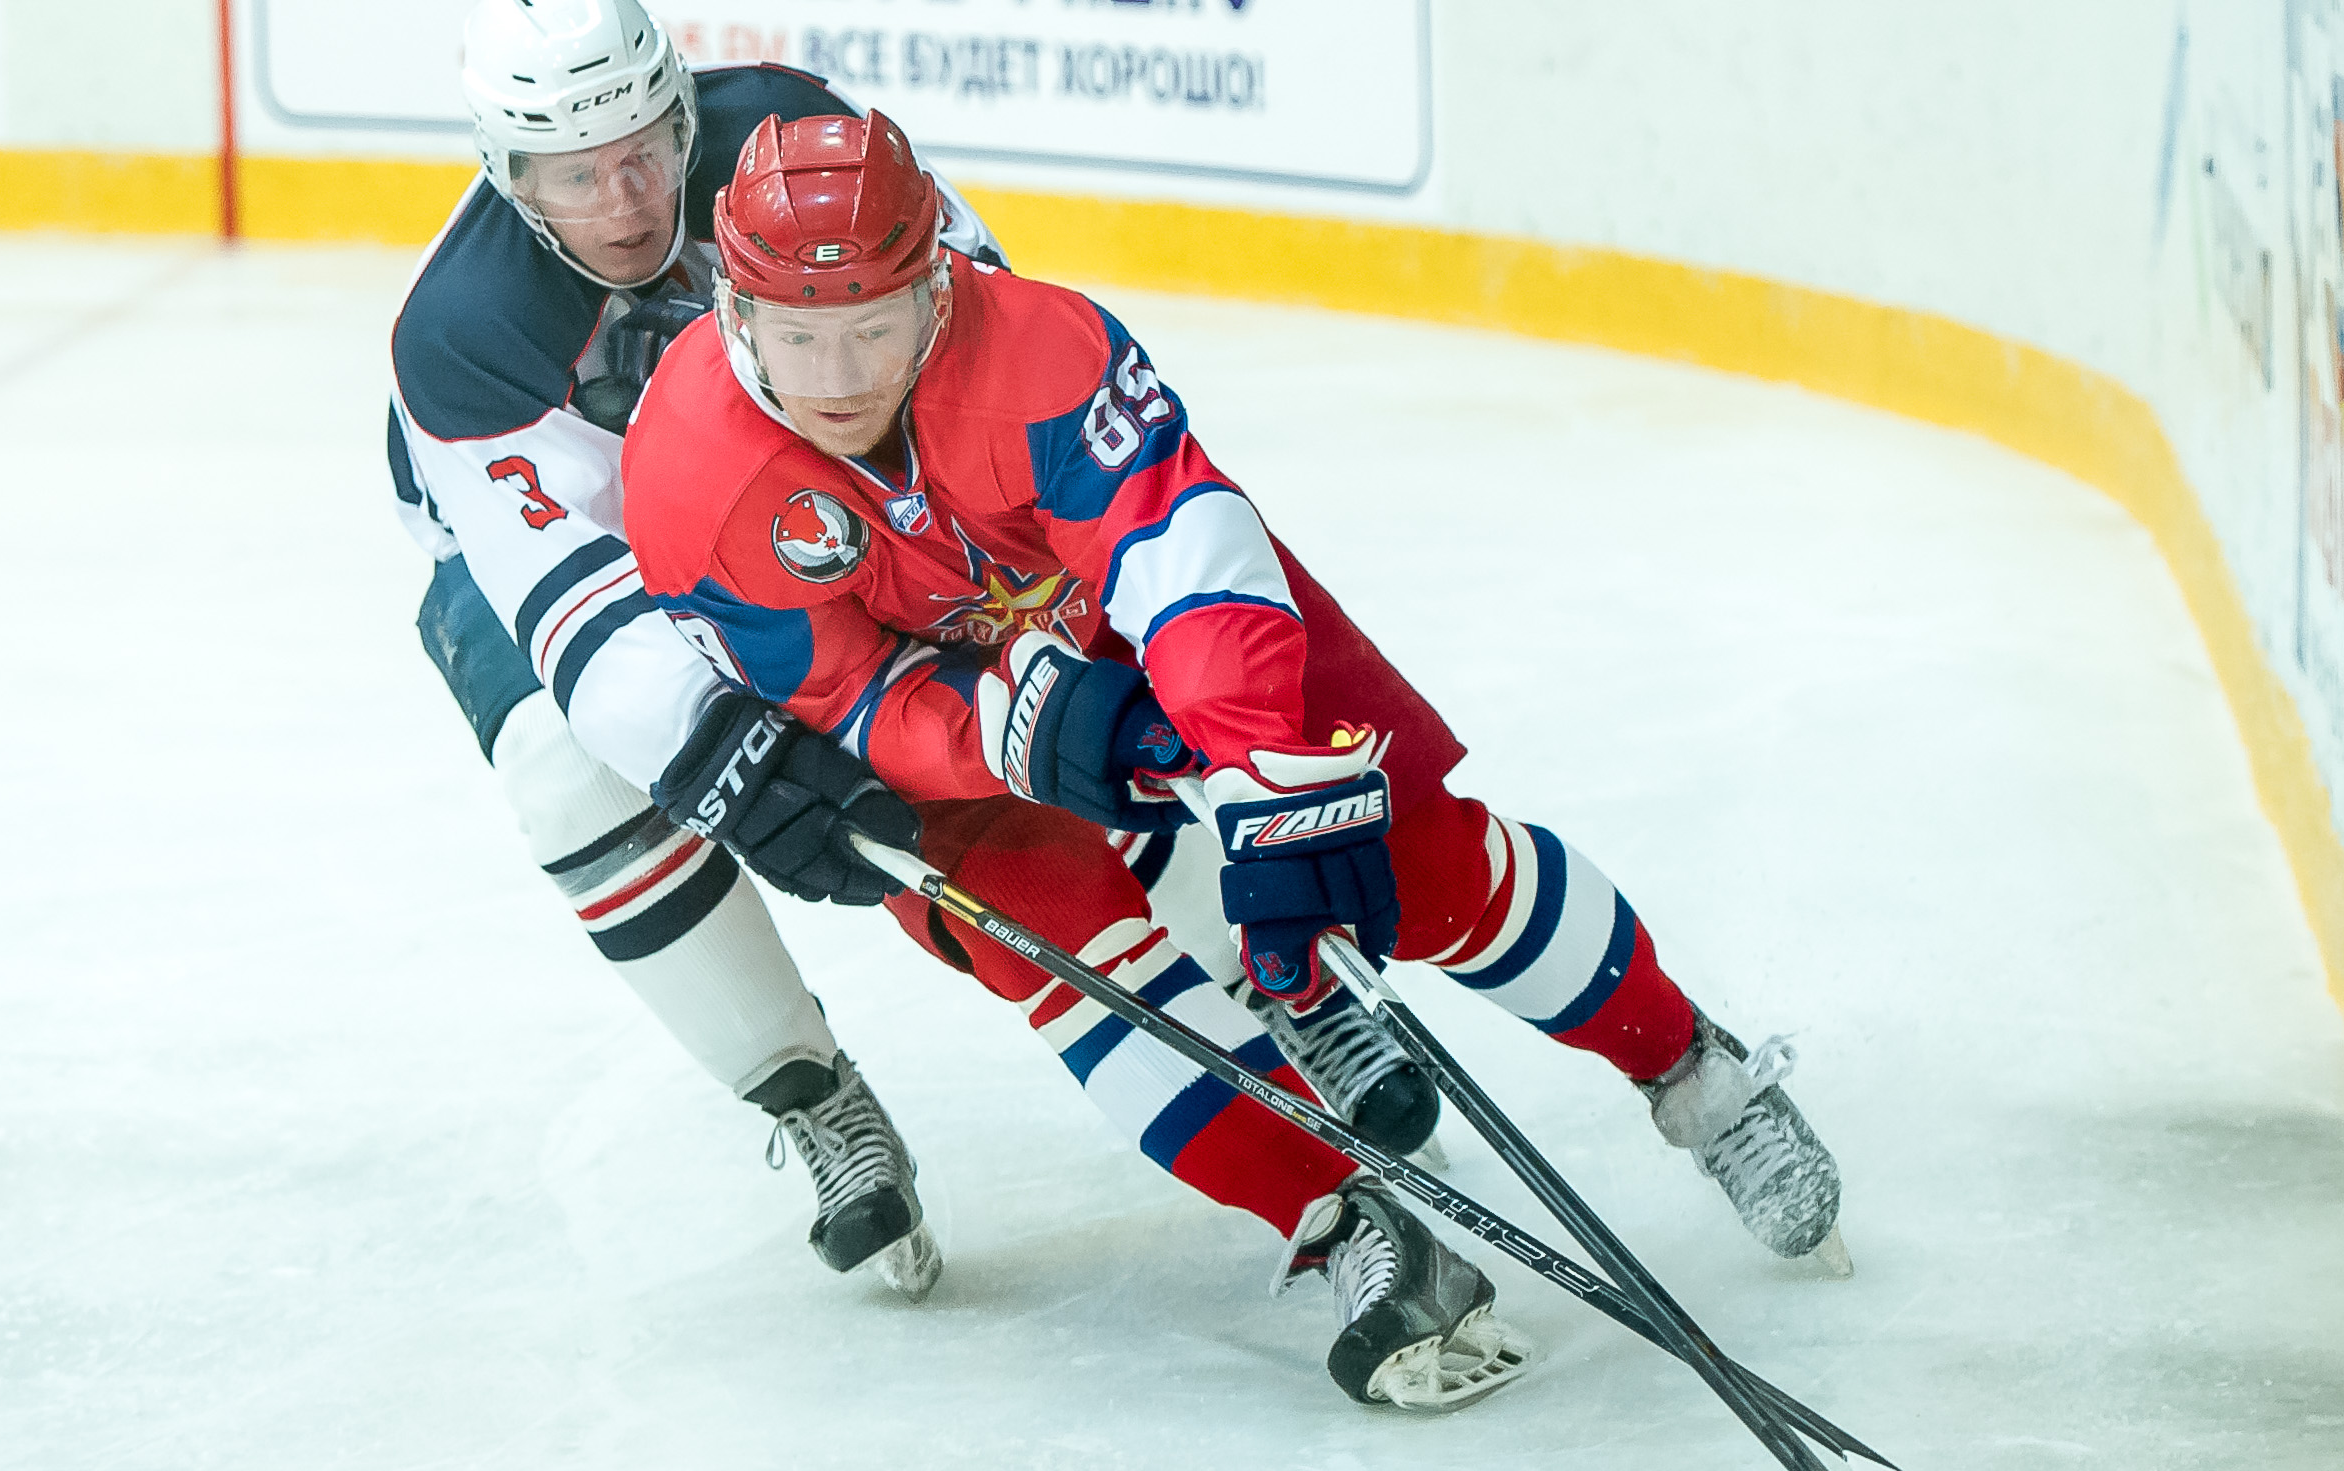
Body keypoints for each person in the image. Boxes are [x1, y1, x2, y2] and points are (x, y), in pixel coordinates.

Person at [619, 113, 1852, 1405]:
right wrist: (1028, 730)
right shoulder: (690, 468)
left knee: (1405, 863)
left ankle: (1690, 1065)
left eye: (871, 327)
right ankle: (1342, 1226)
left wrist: (1261, 790)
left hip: (1143, 634)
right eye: (800, 334)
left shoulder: (1041, 347)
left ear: (936, 285)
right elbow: (847, 691)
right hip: (960, 730)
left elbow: (1185, 569)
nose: (837, 374)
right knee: (1086, 973)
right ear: (735, 310)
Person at [382, 0, 996, 1296]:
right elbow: (586, 608)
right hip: (564, 547)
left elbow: (976, 353)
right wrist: (729, 758)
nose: (626, 199)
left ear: (678, 110)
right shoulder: (461, 332)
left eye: (647, 148)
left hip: (764, 475)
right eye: (576, 174)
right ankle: (807, 1087)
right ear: (510, 176)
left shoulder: (794, 140)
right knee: (565, 763)